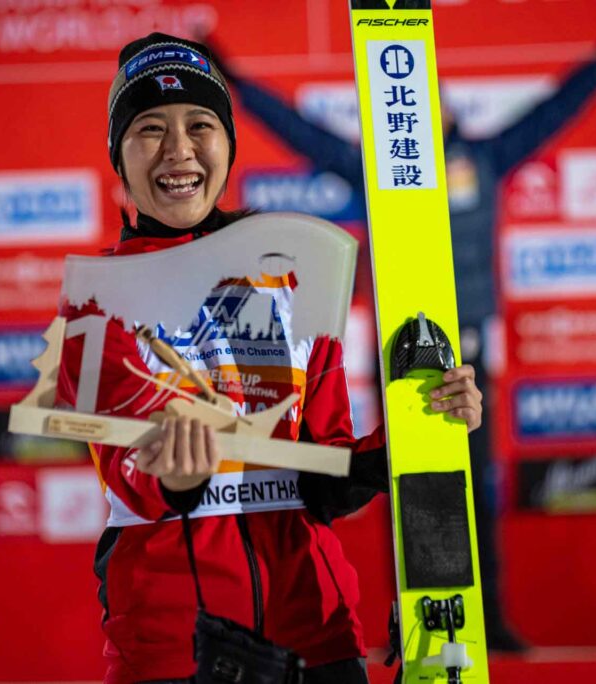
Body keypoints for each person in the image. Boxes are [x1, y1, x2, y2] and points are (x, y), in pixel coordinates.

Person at [208, 8, 596, 652]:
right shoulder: (373, 170)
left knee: (473, 495)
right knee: (411, 493)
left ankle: (488, 623)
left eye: (425, 98)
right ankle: (416, 625)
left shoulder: (485, 157)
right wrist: (235, 82)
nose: (416, 109)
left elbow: (555, 111)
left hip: (467, 356)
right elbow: (299, 132)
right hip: (404, 359)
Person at [60, 33, 483, 684]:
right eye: (149, 129)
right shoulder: (98, 303)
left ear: (228, 144)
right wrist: (174, 472)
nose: (178, 149)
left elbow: (322, 475)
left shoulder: (291, 282)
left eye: (200, 124)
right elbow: (131, 480)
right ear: (118, 154)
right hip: (176, 650)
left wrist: (414, 437)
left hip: (315, 635)